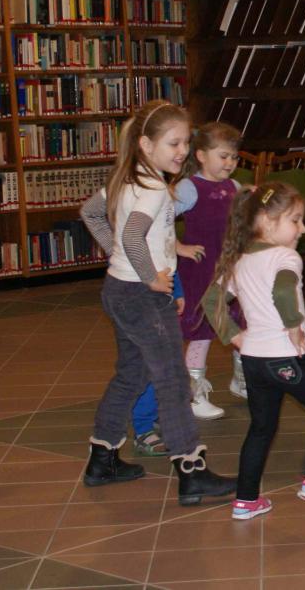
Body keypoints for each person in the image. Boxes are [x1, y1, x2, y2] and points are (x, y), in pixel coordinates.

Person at [78, 100, 235, 505]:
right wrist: (151, 276)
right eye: (173, 143)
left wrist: (119, 257)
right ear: (146, 145)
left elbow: (91, 213)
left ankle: (102, 459)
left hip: (119, 290)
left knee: (132, 375)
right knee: (173, 379)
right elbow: (133, 237)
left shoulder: (127, 178)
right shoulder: (153, 189)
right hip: (143, 296)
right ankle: (191, 470)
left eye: (185, 143)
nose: (182, 151)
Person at [203, 182, 305, 520]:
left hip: (253, 360)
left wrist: (234, 337)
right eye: (295, 220)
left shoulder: (240, 260)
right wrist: (293, 324)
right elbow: (283, 291)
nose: (303, 229)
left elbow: (211, 301)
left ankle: (246, 500)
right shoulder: (285, 257)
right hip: (285, 356)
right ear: (267, 222)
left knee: (261, 427)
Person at [174, 122, 247, 420]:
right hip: (201, 271)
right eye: (223, 156)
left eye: (234, 157)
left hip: (230, 270)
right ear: (202, 155)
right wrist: (178, 247)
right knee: (202, 331)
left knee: (240, 324)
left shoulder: (235, 187)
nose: (229, 163)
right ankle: (194, 393)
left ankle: (241, 380)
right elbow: (158, 220)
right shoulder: (189, 188)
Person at [130, 272, 185, 457]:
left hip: (163, 300)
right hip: (138, 301)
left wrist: (177, 291)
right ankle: (143, 428)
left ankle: (155, 415)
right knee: (148, 368)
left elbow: (168, 261)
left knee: (167, 365)